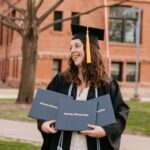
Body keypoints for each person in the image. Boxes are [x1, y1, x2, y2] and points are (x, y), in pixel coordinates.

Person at [37, 24, 129, 150]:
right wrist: (43, 124)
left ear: (90, 50)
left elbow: (121, 114)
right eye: (70, 47)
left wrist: (104, 130)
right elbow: (44, 109)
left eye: (77, 46)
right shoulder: (61, 80)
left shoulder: (107, 85)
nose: (72, 50)